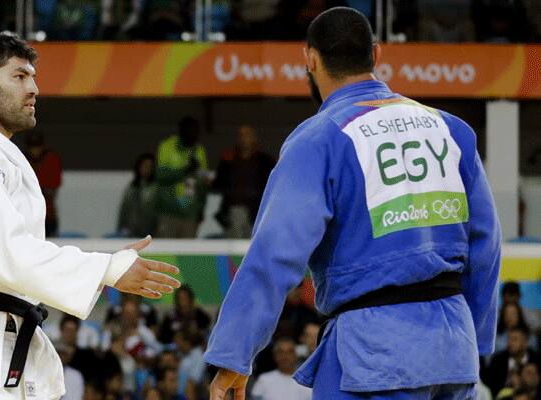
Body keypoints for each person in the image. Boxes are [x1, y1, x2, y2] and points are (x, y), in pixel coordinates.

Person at [204, 7, 501, 400]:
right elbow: (486, 245)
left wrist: (234, 355)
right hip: (454, 352)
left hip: (374, 357)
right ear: (376, 56)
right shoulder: (449, 129)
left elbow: (274, 254)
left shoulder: (319, 140)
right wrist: (475, 341)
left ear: (310, 59)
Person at [0, 33, 180, 400]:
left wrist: (104, 273)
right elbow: (9, 253)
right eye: (20, 77)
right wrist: (105, 268)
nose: (34, 88)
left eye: (33, 77)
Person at [212, 125, 275, 239]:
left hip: (257, 209)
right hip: (234, 207)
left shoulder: (265, 160)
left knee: (253, 243)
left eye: (247, 135)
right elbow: (217, 184)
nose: (244, 138)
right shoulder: (228, 159)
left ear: (254, 138)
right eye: (241, 135)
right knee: (234, 245)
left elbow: (273, 184)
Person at [154, 117, 210, 238]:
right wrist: (185, 171)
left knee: (187, 253)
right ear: (181, 131)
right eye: (191, 131)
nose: (194, 135)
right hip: (169, 210)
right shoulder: (167, 146)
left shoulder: (199, 150)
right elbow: (161, 177)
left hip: (190, 212)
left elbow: (203, 183)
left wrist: (201, 208)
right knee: (166, 252)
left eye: (196, 132)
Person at [24, 131, 63, 237]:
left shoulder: (51, 158)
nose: (35, 150)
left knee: (50, 241)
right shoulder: (22, 158)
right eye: (32, 147)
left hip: (48, 211)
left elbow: (55, 184)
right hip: (25, 211)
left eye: (37, 147)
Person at [117, 153, 159, 238]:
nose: (146, 169)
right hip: (130, 230)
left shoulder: (156, 188)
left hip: (150, 231)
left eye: (149, 166)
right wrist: (121, 227)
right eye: (144, 165)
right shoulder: (132, 187)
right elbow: (124, 209)